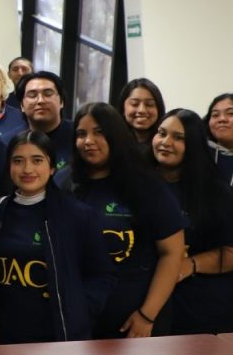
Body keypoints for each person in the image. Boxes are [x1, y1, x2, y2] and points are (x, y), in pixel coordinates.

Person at [56, 102, 187, 339]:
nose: (88, 141)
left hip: (133, 321)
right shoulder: (62, 182)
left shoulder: (147, 186)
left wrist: (147, 315)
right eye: (81, 134)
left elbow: (172, 253)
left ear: (115, 136)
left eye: (99, 132)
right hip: (78, 319)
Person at [0, 132, 114, 344]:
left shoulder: (78, 215)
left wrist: (79, 309)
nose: (27, 169)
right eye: (18, 161)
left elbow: (103, 275)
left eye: (37, 160)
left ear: (53, 167)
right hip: (7, 335)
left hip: (60, 337)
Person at [152, 110, 233, 335]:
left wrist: (190, 264)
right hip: (152, 306)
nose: (166, 142)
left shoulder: (215, 192)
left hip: (205, 309)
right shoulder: (141, 184)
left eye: (178, 138)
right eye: (161, 133)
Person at [19, 70, 74, 167]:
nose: (40, 101)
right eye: (32, 95)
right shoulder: (11, 141)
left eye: (48, 94)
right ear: (22, 105)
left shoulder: (79, 136)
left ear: (61, 101)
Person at [117, 78, 165, 145]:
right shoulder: (112, 143)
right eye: (135, 104)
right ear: (123, 108)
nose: (142, 110)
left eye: (149, 104)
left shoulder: (165, 144)